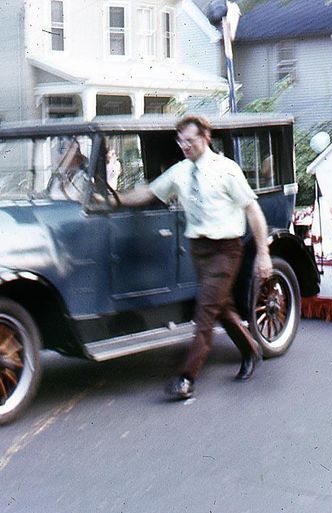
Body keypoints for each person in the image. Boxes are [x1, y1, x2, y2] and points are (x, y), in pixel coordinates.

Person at [111, 114, 273, 400]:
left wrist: (263, 254)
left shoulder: (227, 170)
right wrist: (114, 199)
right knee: (219, 306)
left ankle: (186, 377)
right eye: (180, 141)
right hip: (198, 251)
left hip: (226, 249)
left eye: (190, 140)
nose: (184, 146)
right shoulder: (180, 172)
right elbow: (149, 192)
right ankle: (250, 349)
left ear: (206, 137)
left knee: (205, 311)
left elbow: (253, 210)